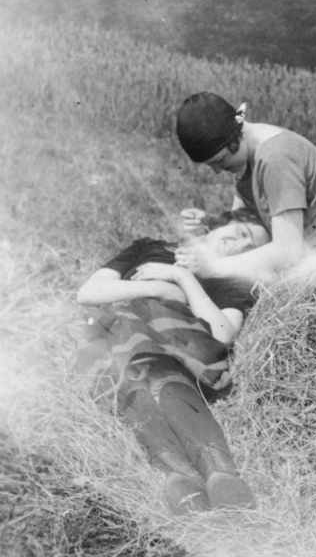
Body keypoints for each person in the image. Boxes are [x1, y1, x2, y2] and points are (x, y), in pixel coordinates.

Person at [76, 211, 269, 516]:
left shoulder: (232, 282)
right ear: (217, 226)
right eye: (243, 232)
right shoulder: (151, 248)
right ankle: (181, 472)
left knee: (161, 374)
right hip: (122, 331)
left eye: (252, 248)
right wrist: (156, 288)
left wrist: (183, 279)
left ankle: (217, 472)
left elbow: (221, 333)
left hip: (179, 342)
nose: (242, 245)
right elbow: (88, 293)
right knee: (133, 375)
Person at [174, 91, 316, 283]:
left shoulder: (276, 159)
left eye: (220, 161)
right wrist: (214, 222)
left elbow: (288, 252)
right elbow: (246, 217)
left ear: (236, 138)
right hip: (301, 255)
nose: (218, 171)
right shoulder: (246, 153)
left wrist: (213, 268)